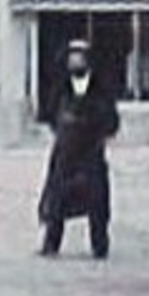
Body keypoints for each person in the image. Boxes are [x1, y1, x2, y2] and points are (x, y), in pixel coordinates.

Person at [37, 39, 122, 259]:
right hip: (65, 154)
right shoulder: (61, 87)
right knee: (57, 201)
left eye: (80, 57)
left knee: (97, 202)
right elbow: (50, 114)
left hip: (91, 153)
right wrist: (64, 126)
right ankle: (51, 243)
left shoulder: (100, 88)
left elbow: (111, 121)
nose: (75, 62)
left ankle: (99, 245)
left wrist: (92, 123)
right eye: (71, 57)